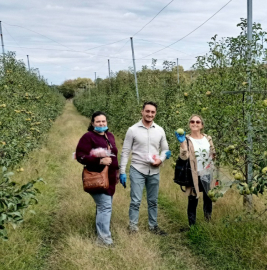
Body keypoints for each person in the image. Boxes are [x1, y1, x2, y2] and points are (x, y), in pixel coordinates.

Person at [119, 101, 171, 235]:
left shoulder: (160, 130)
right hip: (138, 169)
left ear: (155, 113)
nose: (150, 114)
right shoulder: (132, 130)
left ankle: (153, 226)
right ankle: (133, 227)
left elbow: (165, 149)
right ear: (142, 111)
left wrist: (161, 159)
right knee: (135, 200)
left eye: (152, 112)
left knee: (153, 201)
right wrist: (122, 171)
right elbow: (125, 151)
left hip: (154, 170)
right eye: (147, 111)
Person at [75, 111, 119, 247]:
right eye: (98, 121)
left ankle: (100, 233)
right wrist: (99, 161)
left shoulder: (109, 135)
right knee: (105, 207)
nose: (101, 124)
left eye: (103, 121)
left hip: (109, 178)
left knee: (104, 206)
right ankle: (104, 240)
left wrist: (117, 171)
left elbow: (114, 156)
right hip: (96, 177)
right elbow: (80, 156)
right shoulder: (88, 137)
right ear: (93, 123)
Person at [175, 114, 216, 228]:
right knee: (193, 199)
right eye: (192, 122)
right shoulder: (187, 139)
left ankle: (208, 222)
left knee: (208, 198)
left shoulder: (208, 138)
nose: (195, 124)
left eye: (198, 122)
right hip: (193, 174)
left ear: (202, 125)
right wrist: (182, 143)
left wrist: (213, 159)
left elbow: (213, 153)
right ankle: (192, 226)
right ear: (189, 124)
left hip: (207, 173)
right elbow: (184, 157)